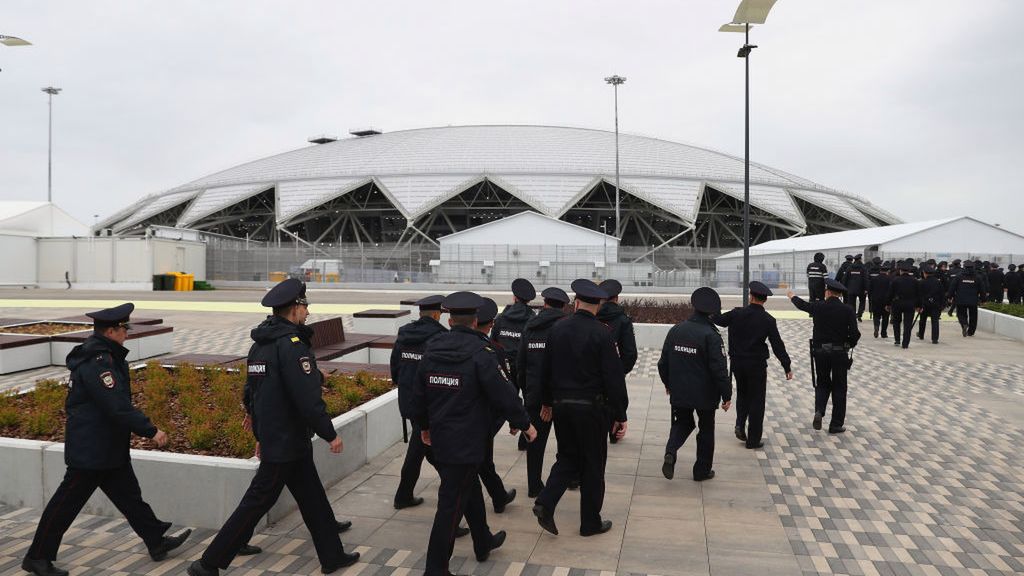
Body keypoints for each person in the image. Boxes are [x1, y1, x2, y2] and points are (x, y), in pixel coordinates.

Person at [188, 279, 358, 576]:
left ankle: (332, 557)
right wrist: (330, 433)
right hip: (286, 440)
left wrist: (260, 434)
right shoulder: (291, 346)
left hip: (282, 438)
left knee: (312, 498)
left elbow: (252, 393)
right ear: (294, 309)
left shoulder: (260, 345)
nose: (307, 311)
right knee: (256, 501)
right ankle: (209, 562)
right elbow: (307, 398)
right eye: (305, 306)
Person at [23, 303, 191, 576]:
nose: (127, 333)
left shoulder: (106, 356)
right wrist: (151, 430)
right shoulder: (98, 362)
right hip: (92, 452)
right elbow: (117, 406)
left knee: (130, 498)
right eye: (124, 328)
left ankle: (156, 540)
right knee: (64, 507)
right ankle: (37, 557)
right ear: (112, 331)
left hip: (107, 448)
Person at [413, 292, 536, 576]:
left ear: (450, 318)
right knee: (450, 506)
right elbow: (504, 394)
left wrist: (424, 427)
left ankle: (482, 540)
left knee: (468, 490)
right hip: (466, 442)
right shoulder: (482, 354)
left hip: (441, 439)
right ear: (476, 320)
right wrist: (526, 424)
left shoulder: (433, 347)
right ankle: (435, 569)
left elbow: (417, 395)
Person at [533, 279, 628, 537]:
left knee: (567, 457)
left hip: (562, 407)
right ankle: (589, 523)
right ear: (598, 305)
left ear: (575, 303)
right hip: (591, 409)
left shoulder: (557, 330)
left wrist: (546, 402)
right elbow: (613, 378)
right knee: (593, 465)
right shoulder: (602, 333)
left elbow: (546, 371)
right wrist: (620, 414)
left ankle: (545, 502)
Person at [659, 287, 731, 480]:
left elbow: (662, 362)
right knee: (706, 429)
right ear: (712, 312)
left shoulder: (676, 330)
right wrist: (727, 395)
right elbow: (719, 369)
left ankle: (671, 451)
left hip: (680, 391)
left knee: (682, 422)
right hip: (705, 395)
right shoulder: (711, 336)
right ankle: (701, 471)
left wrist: (668, 383)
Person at [712, 281, 792, 449]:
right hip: (756, 365)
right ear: (765, 300)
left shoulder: (736, 314)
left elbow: (718, 319)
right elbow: (777, 345)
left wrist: (713, 305)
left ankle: (740, 424)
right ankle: (753, 440)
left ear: (751, 297)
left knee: (742, 393)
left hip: (737, 363)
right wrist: (787, 366)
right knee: (757, 400)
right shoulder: (768, 320)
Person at [392, 295, 447, 510]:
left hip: (408, 399)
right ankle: (404, 495)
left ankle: (404, 494)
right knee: (425, 448)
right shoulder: (441, 337)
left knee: (423, 447)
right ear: (436, 314)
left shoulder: (404, 333)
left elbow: (395, 366)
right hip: (430, 405)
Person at [516, 287, 570, 498]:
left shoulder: (530, 327)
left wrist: (527, 390)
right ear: (563, 306)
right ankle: (570, 478)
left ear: (545, 303)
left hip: (535, 395)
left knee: (535, 442)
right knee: (567, 442)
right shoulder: (566, 327)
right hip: (562, 396)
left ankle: (533, 485)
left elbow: (521, 364)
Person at [788, 278, 860, 434]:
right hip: (840, 352)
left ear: (827, 292)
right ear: (839, 295)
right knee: (840, 387)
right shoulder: (847, 310)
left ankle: (819, 411)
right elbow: (855, 334)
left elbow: (803, 306)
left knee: (822, 383)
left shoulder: (819, 306)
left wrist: (792, 296)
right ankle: (836, 424)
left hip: (820, 352)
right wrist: (849, 344)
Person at [475, 297, 520, 514]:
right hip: (481, 418)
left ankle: (498, 497)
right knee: (480, 461)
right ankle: (498, 497)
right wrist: (518, 420)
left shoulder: (441, 345)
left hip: (448, 420)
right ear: (491, 324)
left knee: (481, 462)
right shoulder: (492, 351)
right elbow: (505, 389)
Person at [597, 278, 638, 444]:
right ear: (617, 298)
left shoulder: (594, 316)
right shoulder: (623, 320)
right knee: (616, 397)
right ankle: (614, 432)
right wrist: (620, 371)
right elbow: (630, 353)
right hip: (615, 369)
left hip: (593, 371)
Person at [491, 278, 537, 387]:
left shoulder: (501, 318)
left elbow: (493, 341)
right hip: (525, 366)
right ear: (529, 300)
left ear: (514, 297)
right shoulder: (533, 319)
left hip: (503, 365)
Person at [887, 262, 921, 349]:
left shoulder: (895, 280)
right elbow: (918, 295)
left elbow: (890, 293)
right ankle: (905, 343)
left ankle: (897, 339)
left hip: (897, 303)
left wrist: (888, 304)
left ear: (900, 271)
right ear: (909, 271)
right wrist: (919, 306)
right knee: (907, 324)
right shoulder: (915, 281)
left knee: (896, 322)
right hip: (910, 304)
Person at [948, 260, 983, 336]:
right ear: (973, 267)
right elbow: (982, 289)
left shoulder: (959, 276)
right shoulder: (977, 277)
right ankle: (971, 332)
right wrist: (983, 299)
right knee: (973, 316)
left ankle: (964, 323)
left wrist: (949, 296)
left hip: (961, 299)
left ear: (964, 267)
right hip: (973, 300)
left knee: (960, 314)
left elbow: (952, 287)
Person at [917, 264, 945, 344]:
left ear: (924, 273)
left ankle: (921, 334)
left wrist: (918, 305)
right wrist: (942, 305)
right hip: (935, 304)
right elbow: (942, 294)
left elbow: (919, 295)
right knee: (935, 321)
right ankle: (935, 338)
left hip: (924, 304)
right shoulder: (938, 282)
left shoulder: (921, 282)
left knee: (922, 320)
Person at [867, 261, 892, 339]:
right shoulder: (889, 279)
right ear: (887, 271)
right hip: (886, 301)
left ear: (880, 271)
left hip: (876, 300)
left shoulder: (874, 279)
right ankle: (884, 333)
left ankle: (876, 326)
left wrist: (870, 298)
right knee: (885, 317)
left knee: (876, 316)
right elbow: (891, 291)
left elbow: (870, 290)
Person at [845, 254, 867, 320]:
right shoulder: (863, 268)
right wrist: (866, 288)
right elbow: (866, 279)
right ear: (860, 259)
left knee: (851, 303)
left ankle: (853, 315)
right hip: (861, 289)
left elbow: (845, 278)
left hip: (851, 289)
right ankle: (859, 314)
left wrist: (845, 287)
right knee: (862, 301)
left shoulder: (850, 267)